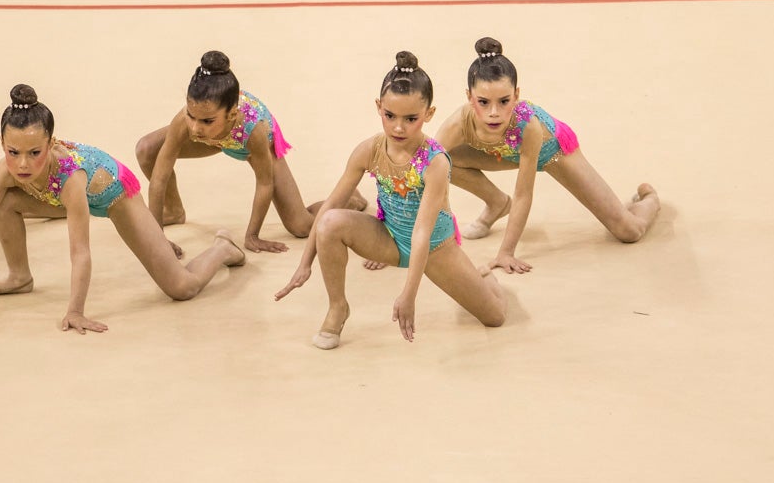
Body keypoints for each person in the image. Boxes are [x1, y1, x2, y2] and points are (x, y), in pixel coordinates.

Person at [0, 85, 246, 333]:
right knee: (3, 201)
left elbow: (80, 251)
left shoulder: (70, 177)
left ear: (51, 144)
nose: (23, 164)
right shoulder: (4, 171)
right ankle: (19, 277)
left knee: (181, 288)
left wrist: (75, 310)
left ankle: (222, 248)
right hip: (59, 198)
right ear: (2, 144)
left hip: (114, 195)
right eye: (13, 152)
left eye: (35, 153)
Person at [275, 52, 505, 349]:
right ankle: (337, 308)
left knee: (495, 318)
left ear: (429, 114)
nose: (398, 127)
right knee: (330, 222)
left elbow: (422, 231)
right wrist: (305, 264)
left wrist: (409, 294)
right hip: (389, 237)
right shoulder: (369, 150)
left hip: (435, 247)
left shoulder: (435, 162)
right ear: (378, 107)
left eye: (411, 119)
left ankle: (486, 279)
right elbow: (330, 205)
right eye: (390, 116)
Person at [433, 37, 661, 273]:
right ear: (469, 97)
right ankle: (497, 203)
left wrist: (506, 253)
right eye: (483, 102)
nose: (494, 113)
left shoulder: (529, 126)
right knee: (442, 161)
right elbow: (423, 169)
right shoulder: (458, 123)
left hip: (553, 151)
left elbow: (523, 194)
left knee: (628, 231)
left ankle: (650, 201)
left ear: (516, 95)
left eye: (504, 101)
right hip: (506, 152)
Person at [134, 50, 365, 255]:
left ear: (232, 115)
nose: (194, 128)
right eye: (191, 116)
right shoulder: (189, 122)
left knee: (301, 226)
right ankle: (174, 210)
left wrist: (252, 235)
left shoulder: (255, 130)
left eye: (205, 120)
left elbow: (264, 183)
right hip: (216, 137)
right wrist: (158, 239)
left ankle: (350, 199)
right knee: (147, 149)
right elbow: (159, 177)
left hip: (247, 141)